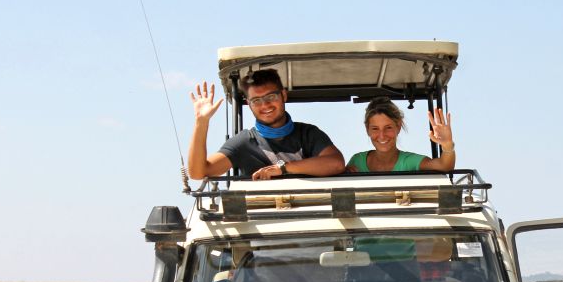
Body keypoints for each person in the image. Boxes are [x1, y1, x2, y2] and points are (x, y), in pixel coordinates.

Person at [187, 70, 345, 180]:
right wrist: (201, 123)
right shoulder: (243, 142)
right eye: (256, 100)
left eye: (271, 96)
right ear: (249, 104)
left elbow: (336, 163)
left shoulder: (308, 133)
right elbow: (198, 173)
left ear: (283, 95)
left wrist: (283, 168)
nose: (265, 105)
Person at [345, 97, 455, 173]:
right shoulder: (357, 161)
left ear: (398, 126)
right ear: (367, 130)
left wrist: (447, 145)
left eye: (388, 128)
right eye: (375, 129)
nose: (382, 136)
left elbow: (444, 166)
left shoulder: (409, 161)